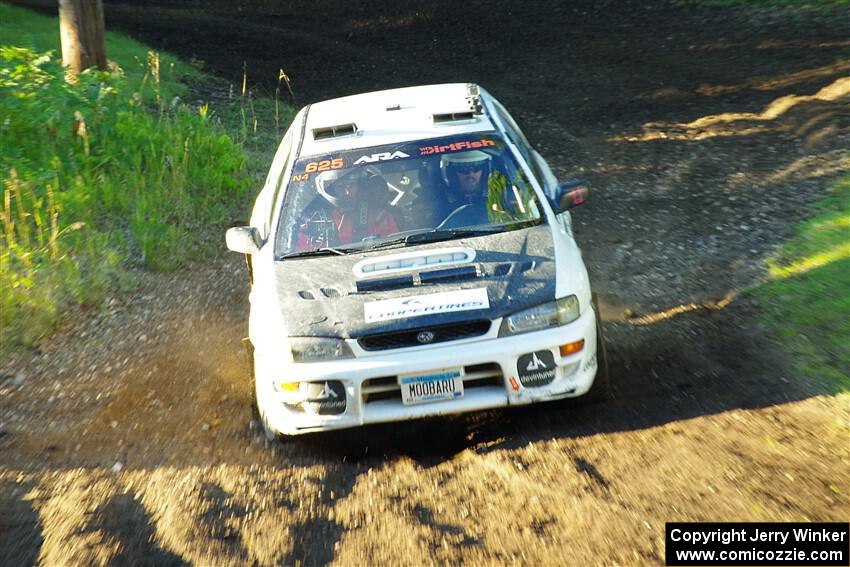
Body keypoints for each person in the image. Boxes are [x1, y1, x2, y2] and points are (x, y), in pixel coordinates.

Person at [295, 168, 399, 250]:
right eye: (341, 186)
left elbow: (394, 249)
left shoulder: (379, 217)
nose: (348, 192)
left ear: (360, 186)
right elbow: (305, 256)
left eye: (352, 185)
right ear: (331, 190)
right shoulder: (313, 221)